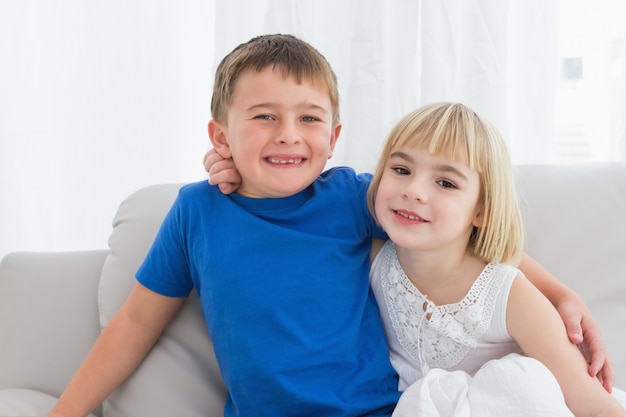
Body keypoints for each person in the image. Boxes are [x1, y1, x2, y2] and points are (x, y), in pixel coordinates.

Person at [46, 33, 399, 417]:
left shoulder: (355, 198)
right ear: (220, 137)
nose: (288, 134)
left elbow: (437, 203)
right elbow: (136, 322)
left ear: (332, 138)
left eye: (309, 118)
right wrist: (65, 412)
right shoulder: (197, 210)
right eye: (265, 116)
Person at [365, 102, 626, 415]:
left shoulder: (510, 295)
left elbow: (591, 402)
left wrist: (561, 294)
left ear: (482, 210)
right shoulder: (372, 261)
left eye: (446, 182)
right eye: (401, 170)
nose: (413, 190)